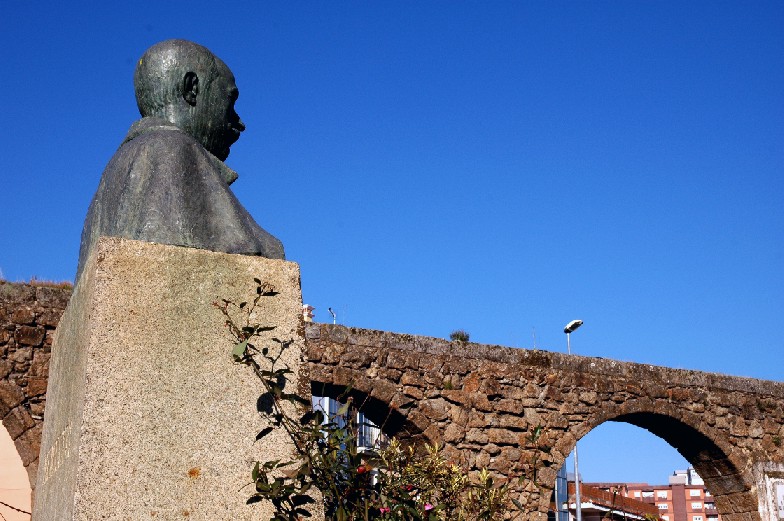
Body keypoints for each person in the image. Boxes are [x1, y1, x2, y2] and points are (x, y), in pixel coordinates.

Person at [76, 39, 284, 282]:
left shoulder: (116, 170)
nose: (239, 122)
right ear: (191, 88)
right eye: (230, 101)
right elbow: (251, 251)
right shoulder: (172, 150)